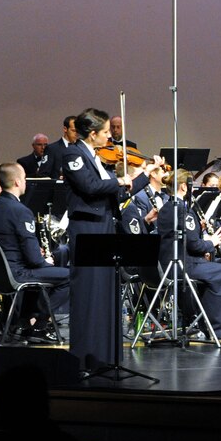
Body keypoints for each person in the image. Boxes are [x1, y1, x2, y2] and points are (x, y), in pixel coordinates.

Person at [62, 108, 151, 373]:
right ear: (92, 135)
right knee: (89, 293)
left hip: (103, 227)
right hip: (88, 230)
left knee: (104, 292)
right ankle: (84, 357)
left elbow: (114, 196)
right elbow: (90, 187)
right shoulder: (73, 154)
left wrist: (143, 176)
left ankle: (104, 355)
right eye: (104, 133)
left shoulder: (97, 158)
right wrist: (121, 180)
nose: (109, 137)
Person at [0, 162, 70, 342]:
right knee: (70, 276)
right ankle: (39, 324)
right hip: (16, 274)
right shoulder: (21, 211)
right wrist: (45, 261)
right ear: (18, 183)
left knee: (40, 273)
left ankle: (22, 320)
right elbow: (34, 260)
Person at [156, 169, 221, 339]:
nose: (194, 192)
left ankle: (205, 321)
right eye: (192, 187)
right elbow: (194, 245)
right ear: (184, 187)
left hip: (169, 264)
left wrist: (199, 231)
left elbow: (182, 237)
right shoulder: (183, 210)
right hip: (186, 265)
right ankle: (215, 325)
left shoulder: (166, 208)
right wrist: (212, 243)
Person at [44, 116, 79, 180]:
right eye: (74, 130)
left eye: (78, 131)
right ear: (65, 129)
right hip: (59, 188)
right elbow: (43, 175)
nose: (76, 134)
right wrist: (57, 180)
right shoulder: (52, 149)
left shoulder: (81, 149)